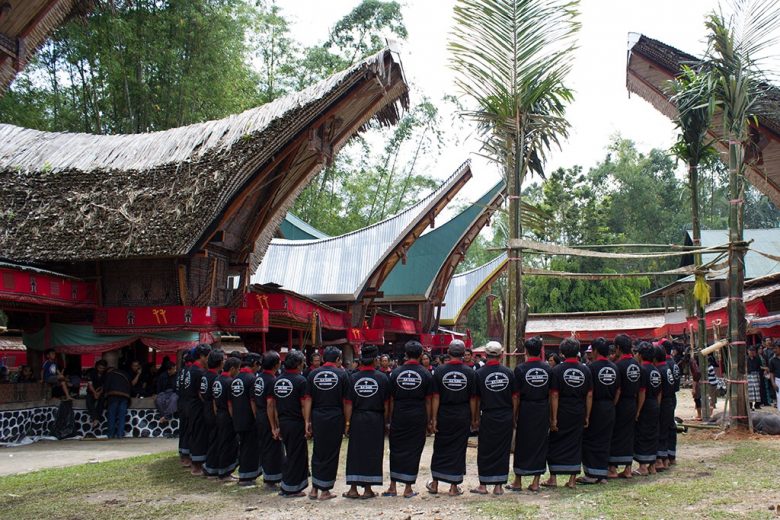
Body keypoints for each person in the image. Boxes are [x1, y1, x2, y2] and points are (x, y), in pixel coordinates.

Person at [426, 340, 478, 496]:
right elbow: (473, 399)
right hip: (462, 413)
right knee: (458, 448)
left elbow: (435, 397)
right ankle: (454, 487)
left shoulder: (439, 371)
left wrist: (433, 418)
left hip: (443, 413)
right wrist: (474, 418)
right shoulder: (470, 373)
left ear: (448, 352)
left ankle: (435, 483)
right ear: (463, 354)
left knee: (440, 447)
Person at [384, 340, 433, 498]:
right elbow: (428, 400)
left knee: (396, 449)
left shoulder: (395, 373)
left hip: (399, 414)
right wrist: (430, 419)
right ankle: (408, 488)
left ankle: (392, 487)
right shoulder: (425, 374)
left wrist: (389, 419)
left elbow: (390, 399)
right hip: (418, 415)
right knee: (414, 450)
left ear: (405, 354)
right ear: (420, 355)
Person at [543, 337, 593, 489]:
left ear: (562, 353)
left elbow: (554, 395)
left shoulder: (557, 370)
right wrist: (587, 415)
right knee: (576, 443)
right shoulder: (585, 369)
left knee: (556, 442)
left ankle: (553, 478)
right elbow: (589, 395)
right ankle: (572, 480)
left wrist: (553, 418)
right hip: (578, 410)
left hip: (562, 410)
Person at [341, 345, 389, 499]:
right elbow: (387, 403)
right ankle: (368, 489)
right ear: (375, 360)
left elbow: (348, 403)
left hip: (357, 418)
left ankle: (353, 489)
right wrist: (386, 421)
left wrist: (347, 423)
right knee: (373, 452)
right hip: (376, 419)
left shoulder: (353, 378)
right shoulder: (382, 378)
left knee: (355, 452)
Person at [471, 341, 516, 496]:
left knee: (485, 449)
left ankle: (483, 485)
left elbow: (476, 399)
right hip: (505, 415)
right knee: (502, 450)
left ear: (485, 355)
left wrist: (475, 418)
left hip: (488, 416)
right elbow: (515, 397)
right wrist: (514, 415)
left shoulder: (479, 373)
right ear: (501, 355)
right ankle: (498, 486)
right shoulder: (509, 373)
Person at [508, 336, 552, 493]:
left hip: (526, 409)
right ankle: (536, 482)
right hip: (542, 409)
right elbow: (552, 394)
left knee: (522, 443)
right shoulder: (548, 369)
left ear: (525, 351)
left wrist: (514, 415)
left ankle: (517, 481)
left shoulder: (520, 369)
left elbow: (516, 396)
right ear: (540, 350)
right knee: (540, 443)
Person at [306, 346, 349, 500]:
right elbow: (346, 402)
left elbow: (308, 399)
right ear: (338, 360)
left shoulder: (313, 374)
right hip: (335, 416)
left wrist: (307, 420)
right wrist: (347, 422)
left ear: (324, 359)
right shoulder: (342, 375)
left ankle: (314, 489)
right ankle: (325, 491)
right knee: (331, 453)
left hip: (317, 416)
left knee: (318, 451)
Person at [269, 349, 310, 497]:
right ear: (299, 364)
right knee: (296, 455)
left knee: (290, 453)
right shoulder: (301, 381)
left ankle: (288, 485)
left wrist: (276, 425)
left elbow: (273, 405)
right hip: (296, 422)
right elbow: (304, 404)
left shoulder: (278, 380)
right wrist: (307, 422)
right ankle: (291, 488)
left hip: (283, 422)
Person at [579, 337, 618, 484]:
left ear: (595, 351)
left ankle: (592, 474)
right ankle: (602, 473)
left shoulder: (590, 368)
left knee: (591, 439)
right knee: (605, 440)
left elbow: (588, 393)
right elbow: (618, 390)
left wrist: (587, 414)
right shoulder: (614, 367)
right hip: (609, 406)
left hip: (595, 406)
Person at [608, 334, 641, 479]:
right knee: (629, 434)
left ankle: (612, 468)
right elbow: (641, 390)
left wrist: (613, 405)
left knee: (615, 435)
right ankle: (628, 468)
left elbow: (618, 389)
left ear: (618, 348)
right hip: (632, 402)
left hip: (620, 403)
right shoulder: (637, 366)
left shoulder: (618, 366)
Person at [230, 353, 260, 486]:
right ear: (254, 364)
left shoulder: (235, 379)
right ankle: (246, 476)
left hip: (237, 418)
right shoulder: (252, 379)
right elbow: (253, 401)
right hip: (249, 419)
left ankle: (244, 473)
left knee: (243, 446)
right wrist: (257, 417)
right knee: (250, 447)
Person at [633, 342, 662, 476]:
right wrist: (657, 405)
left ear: (640, 355)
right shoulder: (656, 370)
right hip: (654, 404)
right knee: (653, 434)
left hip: (644, 404)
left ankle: (643, 466)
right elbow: (659, 392)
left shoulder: (642, 370)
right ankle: (652, 466)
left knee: (643, 434)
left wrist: (638, 410)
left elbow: (642, 392)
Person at [255, 350, 284, 487]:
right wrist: (274, 426)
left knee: (265, 446)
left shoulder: (258, 378)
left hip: (260, 415)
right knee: (272, 448)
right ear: (275, 364)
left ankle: (269, 476)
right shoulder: (272, 380)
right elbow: (271, 405)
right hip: (268, 417)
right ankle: (271, 479)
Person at [209, 356, 239, 480]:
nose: (238, 372)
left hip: (219, 414)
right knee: (228, 444)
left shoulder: (217, 380)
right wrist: (234, 419)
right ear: (232, 369)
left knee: (221, 442)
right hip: (227, 415)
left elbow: (214, 400)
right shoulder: (229, 382)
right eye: (238, 369)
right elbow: (230, 404)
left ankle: (220, 470)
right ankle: (225, 472)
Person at [186, 344, 212, 476]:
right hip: (197, 406)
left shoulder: (192, 369)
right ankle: (196, 466)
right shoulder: (198, 372)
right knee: (198, 434)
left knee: (196, 432)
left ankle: (195, 462)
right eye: (208, 356)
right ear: (202, 356)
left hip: (192, 405)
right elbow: (201, 393)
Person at [201, 350, 223, 479]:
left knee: (211, 438)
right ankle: (211, 467)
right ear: (220, 363)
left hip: (206, 407)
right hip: (213, 410)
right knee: (215, 440)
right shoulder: (215, 378)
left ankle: (210, 465)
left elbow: (201, 393)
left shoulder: (205, 375)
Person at [655, 344, 675, 472]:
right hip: (670, 400)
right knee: (667, 430)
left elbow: (659, 392)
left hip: (663, 402)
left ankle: (661, 460)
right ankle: (667, 458)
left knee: (661, 431)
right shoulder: (667, 367)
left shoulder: (659, 370)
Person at [104, 365, 132, 439]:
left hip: (113, 396)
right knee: (122, 416)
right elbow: (130, 385)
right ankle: (120, 434)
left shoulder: (110, 374)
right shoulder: (125, 374)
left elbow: (106, 386)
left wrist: (105, 396)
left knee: (112, 416)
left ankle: (110, 434)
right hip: (125, 396)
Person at [177, 351, 194, 466]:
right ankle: (187, 455)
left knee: (183, 428)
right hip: (188, 402)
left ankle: (183, 453)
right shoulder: (190, 371)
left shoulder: (181, 371)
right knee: (188, 428)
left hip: (181, 401)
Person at [154, 359, 178, 424]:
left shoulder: (177, 375)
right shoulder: (162, 376)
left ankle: (166, 417)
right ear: (169, 370)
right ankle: (165, 416)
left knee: (174, 399)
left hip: (174, 392)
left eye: (175, 368)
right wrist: (158, 394)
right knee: (158, 400)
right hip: (164, 393)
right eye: (173, 369)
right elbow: (159, 387)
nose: (175, 370)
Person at [86, 360, 108, 428]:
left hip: (100, 392)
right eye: (100, 368)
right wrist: (95, 393)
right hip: (91, 391)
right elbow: (90, 384)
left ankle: (97, 419)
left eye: (103, 368)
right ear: (97, 367)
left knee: (101, 402)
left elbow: (104, 385)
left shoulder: (106, 374)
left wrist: (99, 393)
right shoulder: (91, 373)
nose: (101, 370)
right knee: (89, 402)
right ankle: (95, 418)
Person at [748, 347, 762, 411]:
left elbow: (759, 366)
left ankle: (757, 404)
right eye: (750, 351)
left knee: (757, 390)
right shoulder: (746, 359)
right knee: (750, 391)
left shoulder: (757, 358)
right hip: (749, 375)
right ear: (748, 351)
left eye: (753, 351)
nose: (752, 352)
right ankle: (750, 405)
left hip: (756, 375)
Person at [770, 341, 780, 411]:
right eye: (773, 348)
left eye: (776, 348)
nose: (774, 350)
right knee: (779, 398)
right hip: (778, 381)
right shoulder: (772, 360)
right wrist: (773, 383)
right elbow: (771, 373)